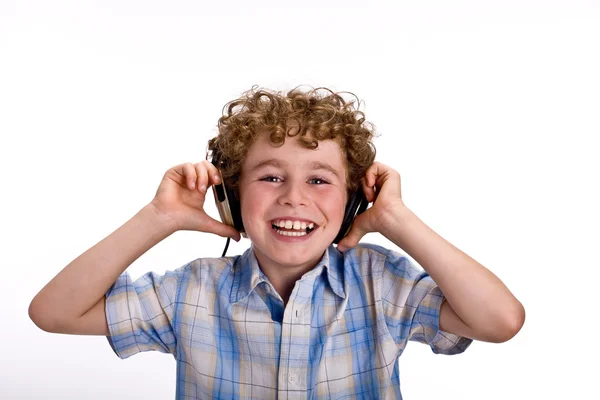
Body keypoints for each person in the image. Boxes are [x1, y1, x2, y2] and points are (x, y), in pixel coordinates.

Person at [29, 86, 525, 399]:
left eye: (319, 181)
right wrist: (158, 218)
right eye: (269, 177)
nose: (293, 199)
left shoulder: (382, 283)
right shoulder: (191, 292)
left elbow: (500, 321)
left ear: (353, 201)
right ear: (229, 196)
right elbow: (54, 313)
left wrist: (395, 217)